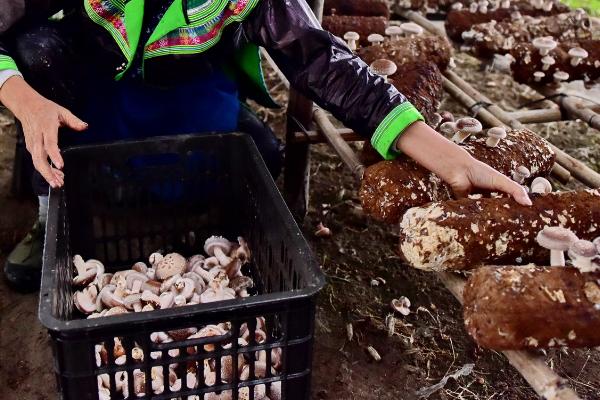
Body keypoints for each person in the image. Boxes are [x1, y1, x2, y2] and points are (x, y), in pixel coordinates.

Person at [0, 0, 531, 291]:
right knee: (37, 51)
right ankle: (52, 213)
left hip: (181, 85)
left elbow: (321, 60)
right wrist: (22, 98)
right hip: (79, 91)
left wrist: (446, 153)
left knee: (255, 160)